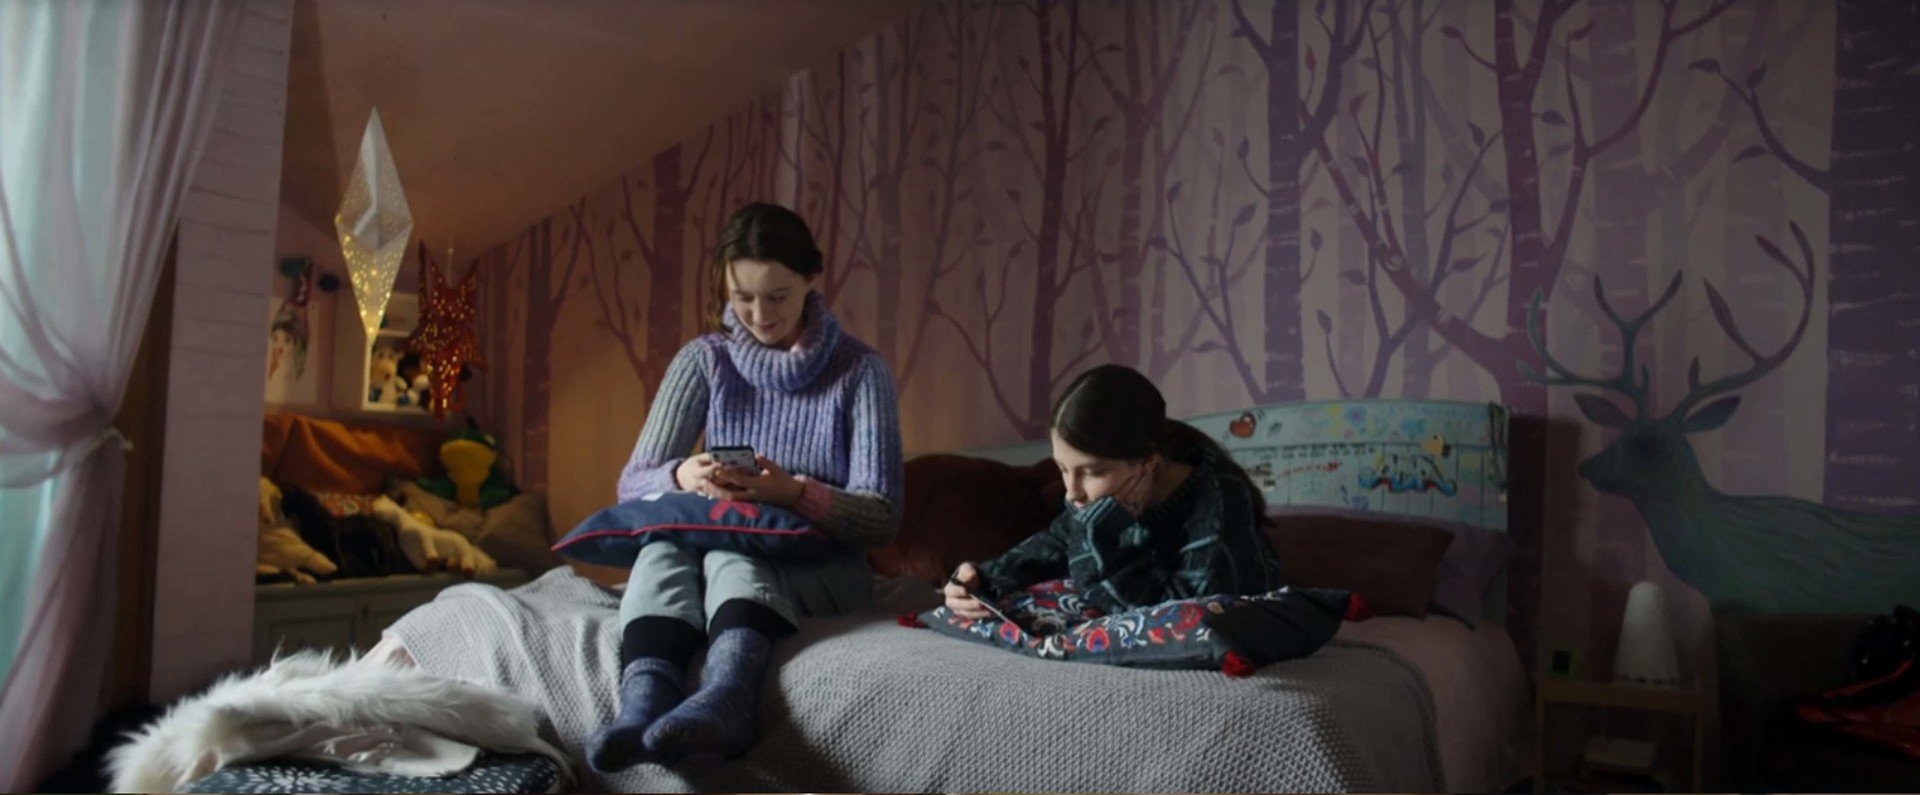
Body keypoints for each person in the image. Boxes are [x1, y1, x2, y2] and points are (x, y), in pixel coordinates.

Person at [588, 202, 903, 770]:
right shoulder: (705, 361)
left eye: (777, 295)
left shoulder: (860, 372)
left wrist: (795, 494)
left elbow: (882, 517)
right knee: (661, 549)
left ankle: (730, 694)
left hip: (824, 563)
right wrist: (682, 474)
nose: (760, 314)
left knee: (731, 555)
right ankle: (643, 704)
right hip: (723, 533)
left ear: (811, 279)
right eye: (742, 297)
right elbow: (633, 483)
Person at [944, 364, 1282, 621]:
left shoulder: (1219, 498)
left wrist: (1096, 533)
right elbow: (1048, 547)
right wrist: (977, 580)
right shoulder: (1093, 499)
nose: (1071, 492)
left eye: (1093, 472)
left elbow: (1186, 613)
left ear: (1148, 464)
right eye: (1063, 469)